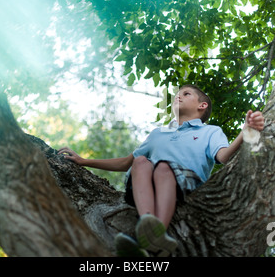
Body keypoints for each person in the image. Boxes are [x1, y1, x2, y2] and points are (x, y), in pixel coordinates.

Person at [58, 84, 265, 257]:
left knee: (164, 167)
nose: (178, 96)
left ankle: (157, 232)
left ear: (202, 106)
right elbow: (125, 163)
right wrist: (83, 161)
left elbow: (224, 156)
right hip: (147, 186)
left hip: (187, 185)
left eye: (186, 94)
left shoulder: (210, 131)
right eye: (177, 94)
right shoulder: (157, 134)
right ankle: (149, 227)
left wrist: (245, 131)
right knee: (140, 162)